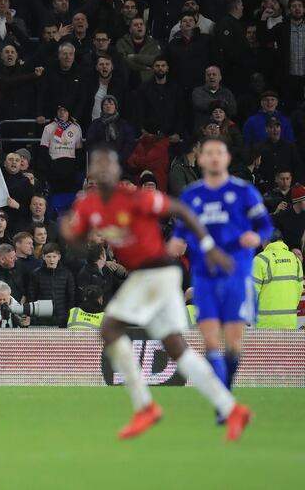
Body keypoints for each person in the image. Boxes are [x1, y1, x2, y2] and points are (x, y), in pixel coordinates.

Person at [61, 147, 251, 441]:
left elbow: (182, 210)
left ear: (117, 170)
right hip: (153, 277)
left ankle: (144, 406)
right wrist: (69, 233)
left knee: (110, 327)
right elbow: (77, 243)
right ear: (92, 175)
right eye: (97, 166)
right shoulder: (88, 207)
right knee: (176, 346)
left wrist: (210, 248)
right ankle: (230, 407)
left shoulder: (137, 198)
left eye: (108, 164)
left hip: (158, 270)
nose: (103, 171)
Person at [169, 138, 274, 421]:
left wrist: (258, 236)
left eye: (219, 153)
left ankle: (224, 395)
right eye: (208, 153)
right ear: (200, 159)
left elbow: (265, 225)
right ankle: (223, 404)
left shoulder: (244, 192)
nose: (214, 158)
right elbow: (180, 233)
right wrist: (174, 244)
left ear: (226, 159)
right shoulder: (192, 196)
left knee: (234, 343)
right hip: (204, 276)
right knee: (211, 341)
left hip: (237, 274)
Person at [253, 236, 303, 329]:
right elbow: (299, 289)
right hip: (289, 323)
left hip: (265, 325)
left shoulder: (260, 259)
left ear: (266, 241)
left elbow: (252, 292)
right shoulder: (295, 259)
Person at [29, 242, 76, 327]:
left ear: (59, 257)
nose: (51, 260)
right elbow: (32, 296)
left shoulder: (67, 274)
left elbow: (71, 297)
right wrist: (34, 317)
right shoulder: (36, 274)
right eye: (48, 257)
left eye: (54, 257)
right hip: (41, 318)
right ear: (43, 257)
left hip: (62, 319)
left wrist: (68, 316)